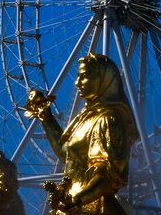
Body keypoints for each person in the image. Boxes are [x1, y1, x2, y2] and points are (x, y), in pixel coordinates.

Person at [25, 54, 139, 214]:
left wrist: (79, 199)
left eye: (84, 77)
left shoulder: (108, 119)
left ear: (102, 79)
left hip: (94, 207)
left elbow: (105, 174)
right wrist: (47, 118)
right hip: (72, 202)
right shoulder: (86, 118)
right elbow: (68, 154)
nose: (77, 83)